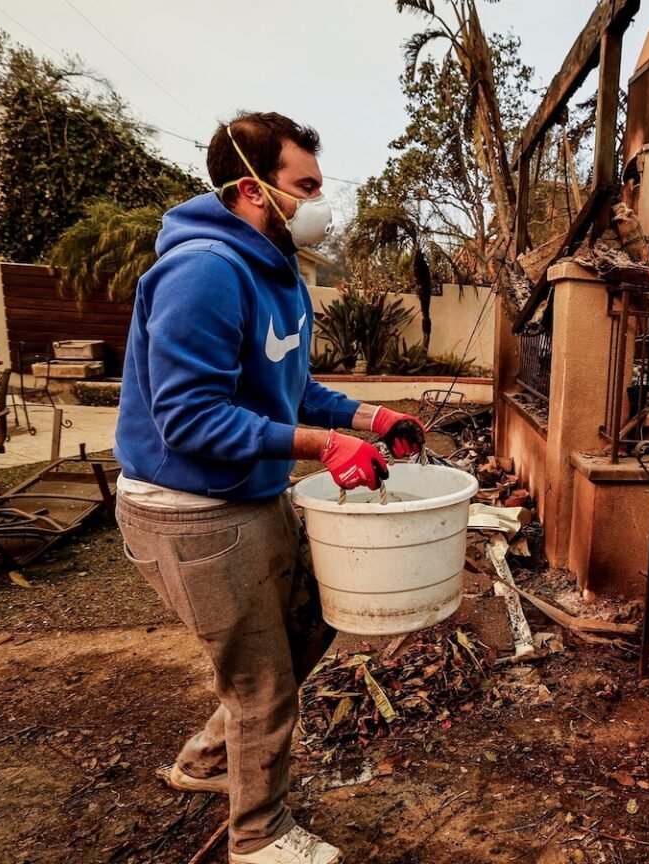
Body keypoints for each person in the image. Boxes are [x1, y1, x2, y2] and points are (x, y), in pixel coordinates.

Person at [114, 111, 426, 864]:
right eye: (307, 185)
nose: (321, 201)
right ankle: (258, 838)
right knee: (263, 680)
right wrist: (321, 444)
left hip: (248, 497)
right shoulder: (204, 271)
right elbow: (189, 419)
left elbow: (286, 380)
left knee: (311, 620)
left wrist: (367, 415)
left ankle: (207, 761)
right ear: (254, 190)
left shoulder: (273, 270)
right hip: (194, 510)